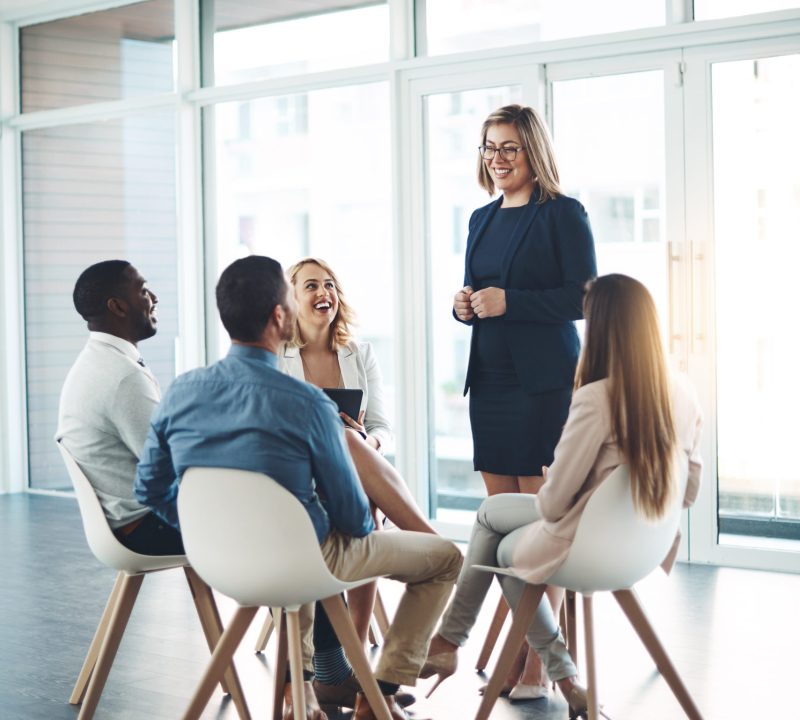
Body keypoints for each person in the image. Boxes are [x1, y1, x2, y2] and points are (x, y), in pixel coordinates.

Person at [134, 255, 463, 720]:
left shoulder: (182, 390)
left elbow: (148, 487)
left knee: (301, 538)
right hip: (301, 563)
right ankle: (377, 693)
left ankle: (316, 682)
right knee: (445, 558)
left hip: (220, 563)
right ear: (280, 316)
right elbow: (354, 519)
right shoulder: (307, 403)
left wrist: (206, 528)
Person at [424, 274, 704, 718]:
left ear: (603, 329)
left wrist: (559, 477)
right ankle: (469, 646)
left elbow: (553, 507)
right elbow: (687, 492)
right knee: (492, 513)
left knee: (502, 546)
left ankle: (464, 644)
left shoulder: (596, 398)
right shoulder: (684, 393)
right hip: (644, 547)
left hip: (586, 545)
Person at [452, 103, 597, 693]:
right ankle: (522, 648)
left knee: (540, 532)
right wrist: (464, 308)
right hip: (489, 384)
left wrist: (512, 302)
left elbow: (585, 296)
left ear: (533, 151)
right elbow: (481, 297)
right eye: (489, 147)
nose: (498, 158)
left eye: (509, 147)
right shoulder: (480, 219)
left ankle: (536, 663)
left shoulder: (564, 213)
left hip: (542, 386)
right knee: (502, 529)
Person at [281, 257, 436, 656]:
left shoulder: (359, 354)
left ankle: (355, 634)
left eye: (330, 284)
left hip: (356, 467)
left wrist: (368, 442)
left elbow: (382, 425)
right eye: (311, 286)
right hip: (303, 476)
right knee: (362, 492)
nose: (324, 293)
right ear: (292, 299)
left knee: (359, 478)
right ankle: (429, 545)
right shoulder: (277, 356)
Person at [56, 259, 183, 556]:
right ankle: (296, 599)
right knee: (272, 520)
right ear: (118, 306)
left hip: (128, 525)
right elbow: (171, 465)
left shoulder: (98, 361)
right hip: (147, 528)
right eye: (144, 290)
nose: (154, 299)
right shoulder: (122, 377)